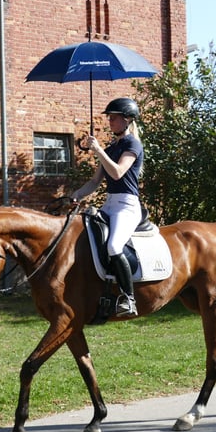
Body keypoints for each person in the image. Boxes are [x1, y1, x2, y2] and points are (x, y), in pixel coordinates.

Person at [71, 97, 144, 317]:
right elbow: (95, 182)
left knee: (113, 246)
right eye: (109, 117)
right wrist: (76, 195)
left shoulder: (133, 144)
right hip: (110, 204)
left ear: (127, 120)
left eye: (114, 117)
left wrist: (98, 150)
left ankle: (128, 299)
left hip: (127, 206)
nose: (110, 121)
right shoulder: (113, 147)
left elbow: (118, 172)